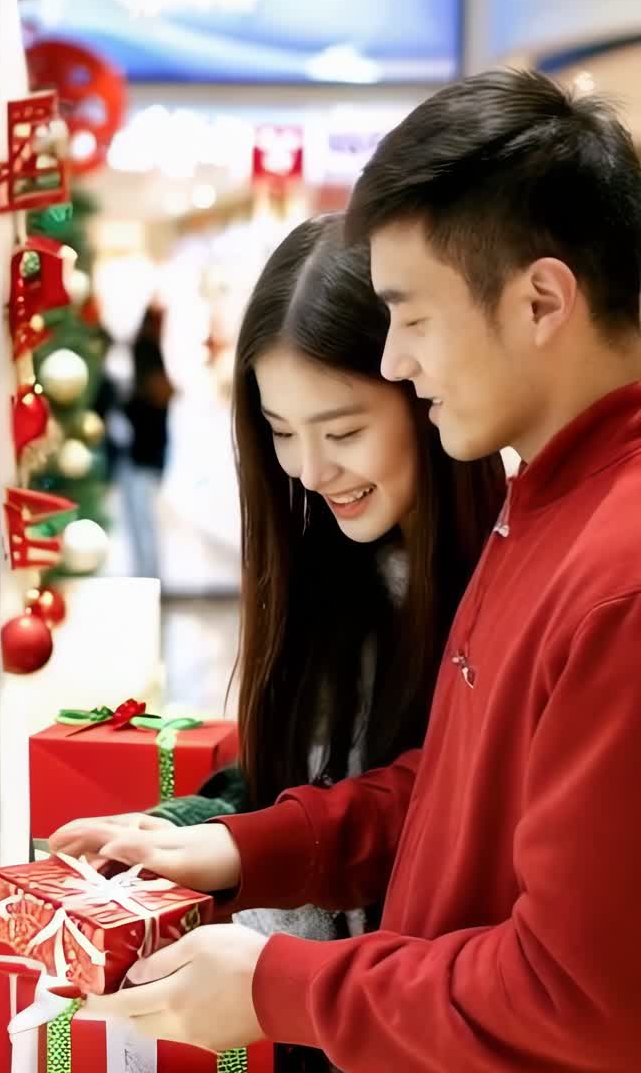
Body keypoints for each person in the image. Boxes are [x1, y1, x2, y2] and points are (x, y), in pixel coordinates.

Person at [55, 65, 641, 1070]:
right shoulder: (546, 504)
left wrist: (283, 986)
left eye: (413, 316)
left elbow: (577, 994)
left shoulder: (617, 569)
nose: (402, 363)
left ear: (543, 298)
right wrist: (253, 844)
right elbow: (456, 787)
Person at [51, 214, 505, 1069]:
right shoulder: (324, 558)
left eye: (340, 431)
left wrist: (233, 846)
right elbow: (297, 771)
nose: (308, 468)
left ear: (427, 393)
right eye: (280, 432)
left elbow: (425, 805)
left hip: (418, 1018)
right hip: (308, 1016)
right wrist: (182, 830)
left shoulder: (506, 579)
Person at [119, 304, 173, 579]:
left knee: (143, 522)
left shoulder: (148, 357)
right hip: (145, 456)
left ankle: (149, 575)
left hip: (144, 457)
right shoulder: (147, 354)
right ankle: (148, 575)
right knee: (143, 522)